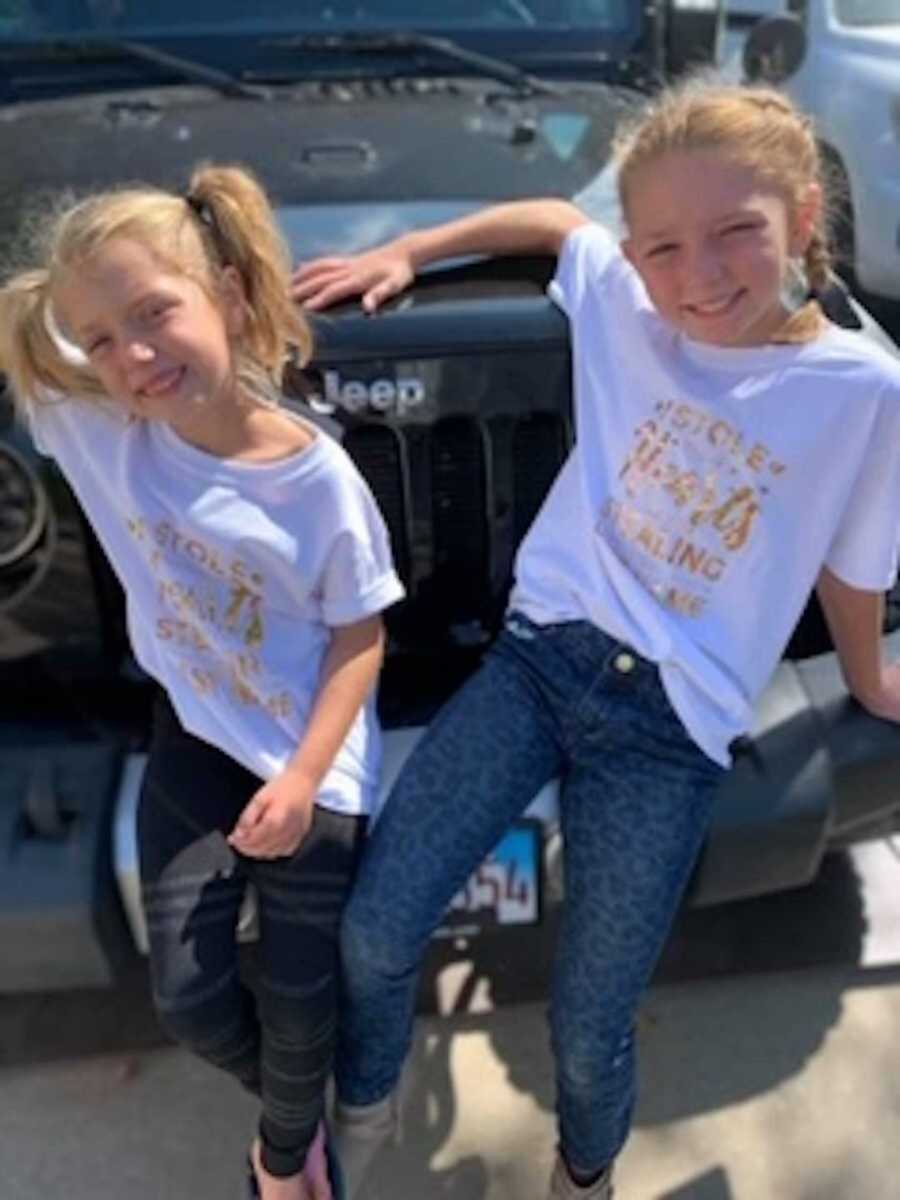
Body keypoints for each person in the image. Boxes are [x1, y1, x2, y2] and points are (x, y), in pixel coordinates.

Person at [290, 79, 900, 1199]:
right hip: (536, 664)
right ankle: (363, 1112)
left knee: (589, 1018)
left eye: (737, 235)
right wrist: (413, 251)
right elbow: (556, 222)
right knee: (375, 933)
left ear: (806, 218)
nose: (697, 277)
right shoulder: (624, 300)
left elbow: (853, 563)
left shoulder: (862, 388)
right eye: (661, 246)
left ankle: (586, 1175)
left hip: (669, 728)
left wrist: (870, 678)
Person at [0, 164, 405, 1200]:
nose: (130, 356)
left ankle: (280, 1160)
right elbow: (25, 341)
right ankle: (303, 1104)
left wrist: (304, 779)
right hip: (193, 734)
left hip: (308, 758)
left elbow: (361, 637)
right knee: (187, 996)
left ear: (227, 295)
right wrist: (34, 307)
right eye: (98, 338)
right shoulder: (98, 435)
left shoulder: (319, 482)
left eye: (154, 313)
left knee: (304, 993)